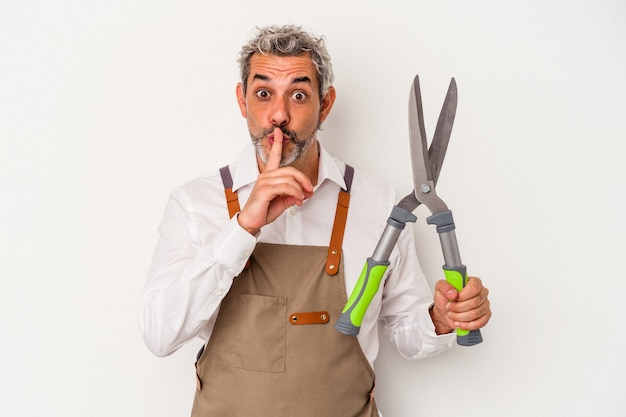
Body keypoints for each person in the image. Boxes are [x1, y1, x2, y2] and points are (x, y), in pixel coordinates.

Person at [138, 24, 491, 417]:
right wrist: (243, 228)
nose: (278, 115)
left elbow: (407, 332)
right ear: (242, 100)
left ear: (325, 104)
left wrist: (440, 320)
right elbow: (159, 334)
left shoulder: (378, 204)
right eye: (263, 93)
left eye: (299, 95)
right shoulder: (194, 203)